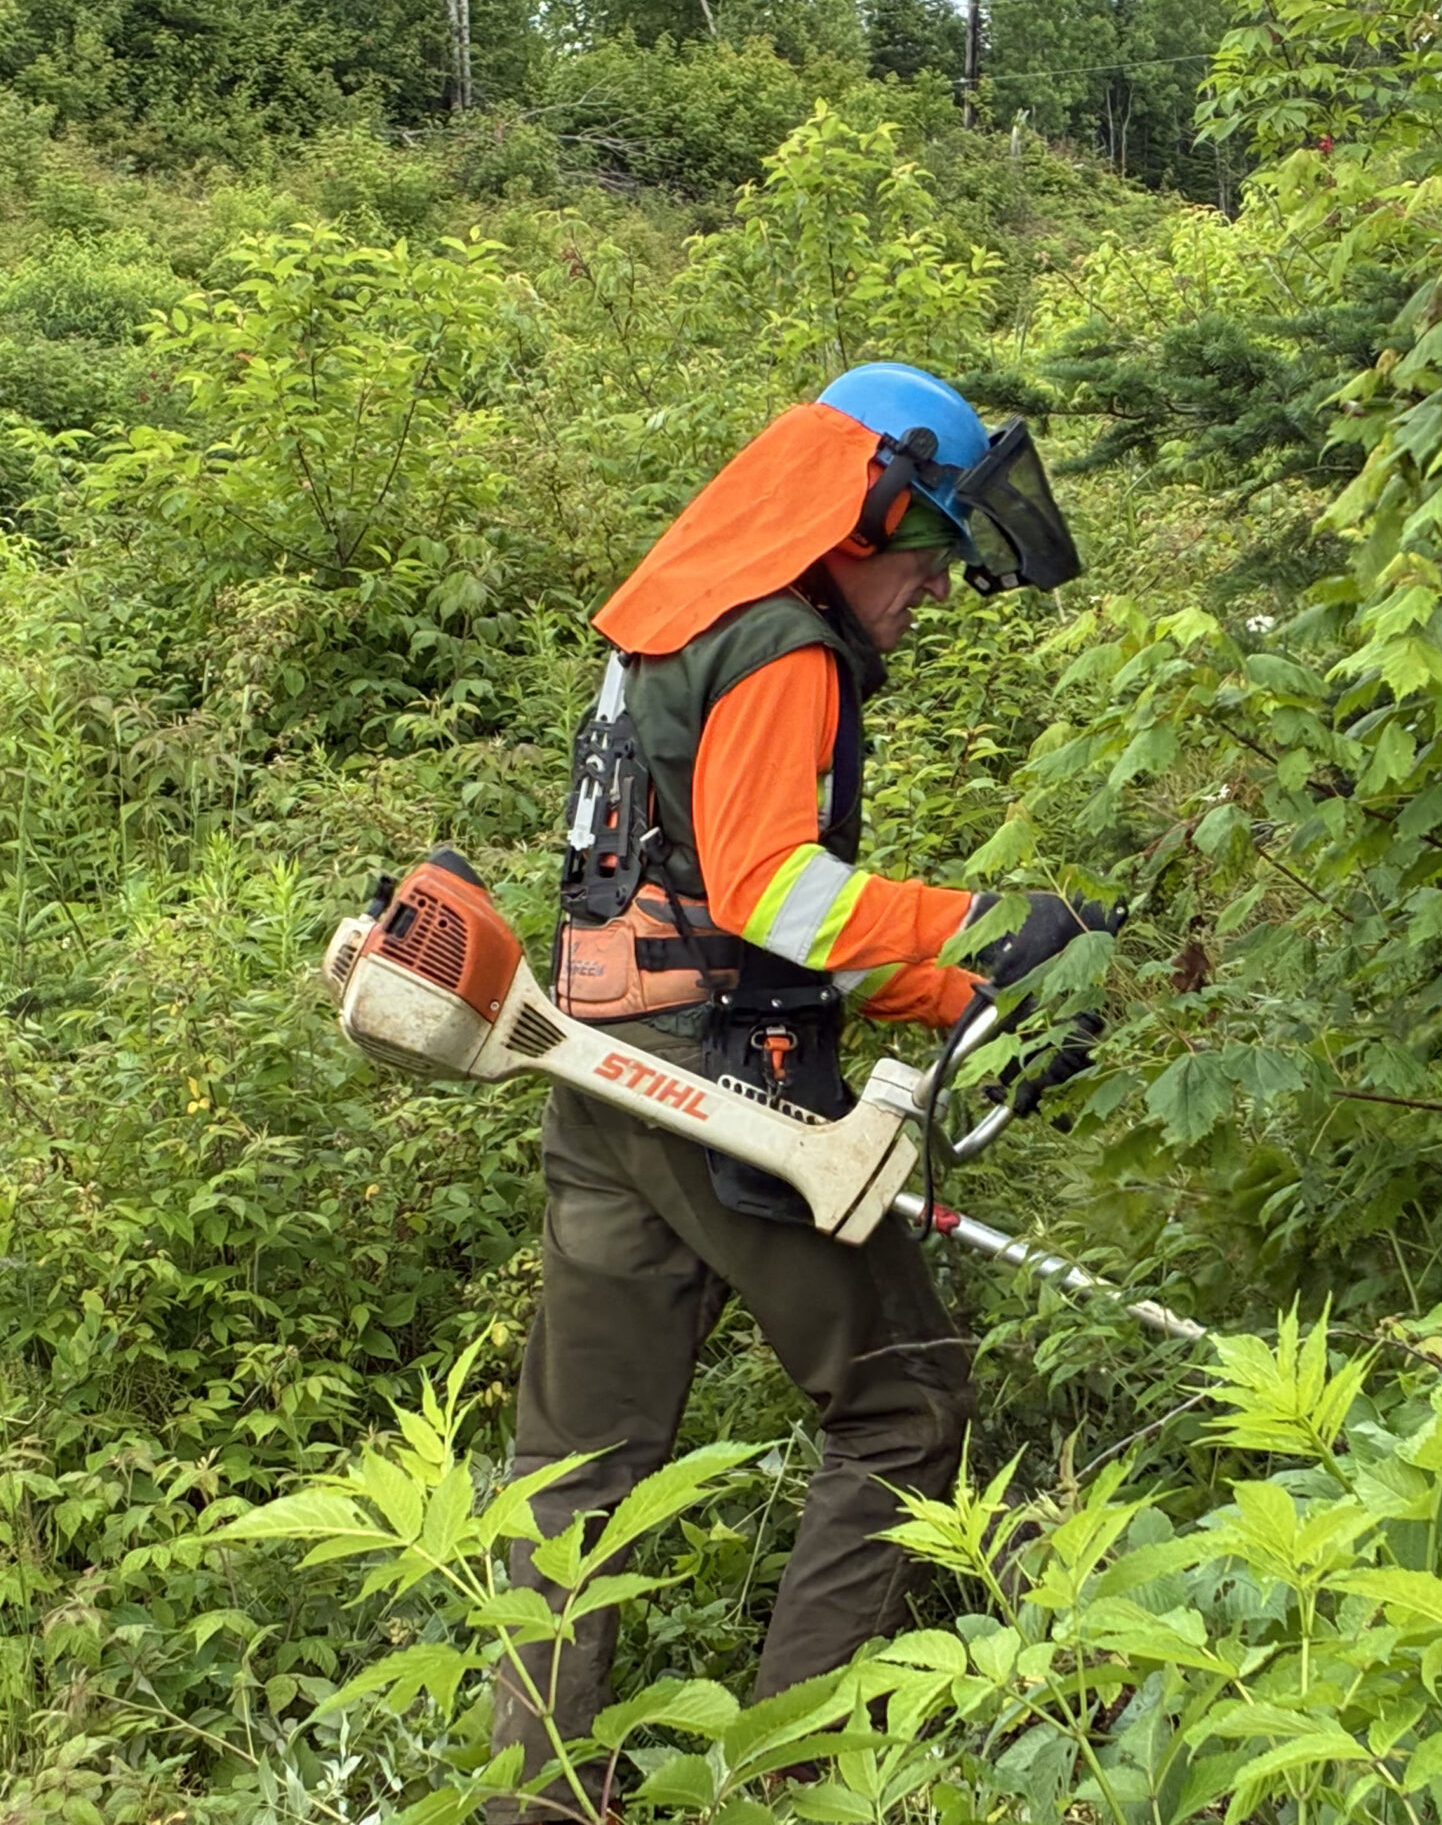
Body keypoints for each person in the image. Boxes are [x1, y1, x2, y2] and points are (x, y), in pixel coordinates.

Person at [492, 362, 1112, 1814]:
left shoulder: (677, 622)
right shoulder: (784, 646)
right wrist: (989, 927)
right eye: (931, 550)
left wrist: (964, 1001)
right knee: (905, 1406)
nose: (936, 590)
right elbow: (775, 895)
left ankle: (529, 1800)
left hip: (603, 1072)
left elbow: (720, 907)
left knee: (575, 1470)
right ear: (863, 511)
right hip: (724, 1094)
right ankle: (792, 1781)